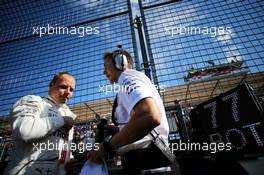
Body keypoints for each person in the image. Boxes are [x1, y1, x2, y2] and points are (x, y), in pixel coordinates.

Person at [88, 47, 170, 175]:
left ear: (120, 62)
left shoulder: (127, 78)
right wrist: (116, 129)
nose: (104, 72)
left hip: (146, 159)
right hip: (146, 158)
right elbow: (141, 121)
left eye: (106, 66)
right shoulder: (127, 81)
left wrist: (106, 147)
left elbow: (149, 116)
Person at [4, 72, 78, 175]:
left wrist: (67, 163)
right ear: (51, 85)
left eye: (71, 89)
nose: (68, 92)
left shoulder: (69, 114)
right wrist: (63, 120)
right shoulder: (34, 101)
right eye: (63, 87)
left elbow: (64, 145)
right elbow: (25, 130)